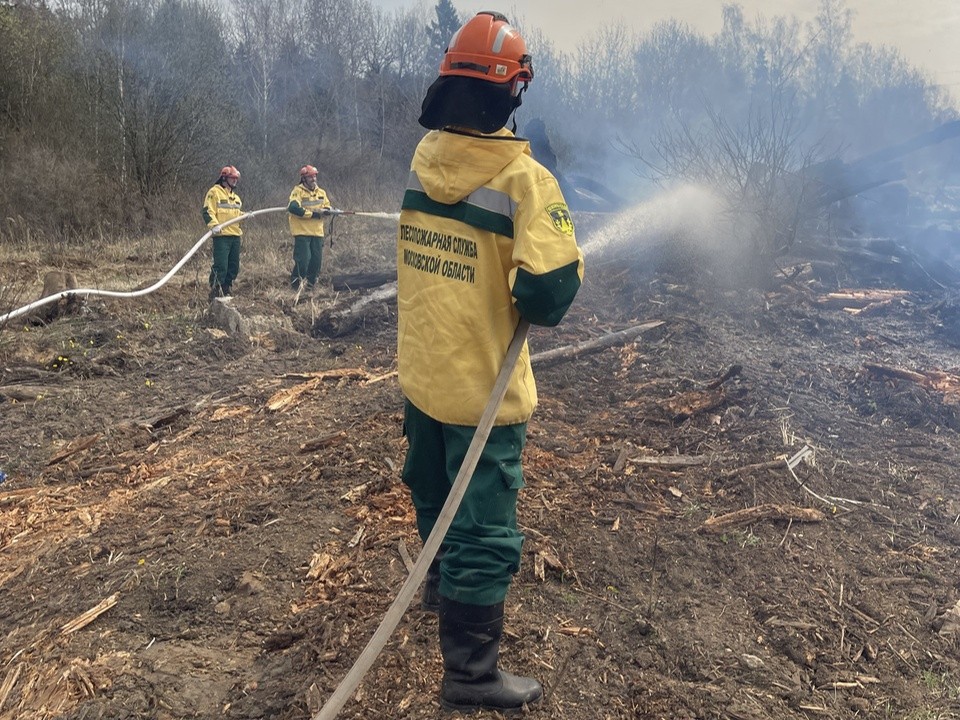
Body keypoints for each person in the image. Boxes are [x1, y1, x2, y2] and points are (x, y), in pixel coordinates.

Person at [397, 11, 583, 714]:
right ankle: (471, 674)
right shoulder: (524, 181)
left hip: (424, 373)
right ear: (513, 89)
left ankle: (441, 589)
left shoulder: (425, 161)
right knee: (483, 526)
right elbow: (548, 293)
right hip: (482, 391)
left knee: (433, 489)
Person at [287, 165, 333, 289]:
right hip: (302, 232)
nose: (313, 179)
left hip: (317, 232)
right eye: (310, 177)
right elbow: (293, 208)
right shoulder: (298, 191)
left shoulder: (321, 192)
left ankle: (310, 286)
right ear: (304, 179)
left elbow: (327, 206)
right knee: (303, 260)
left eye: (314, 176)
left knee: (316, 261)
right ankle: (296, 285)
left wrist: (327, 210)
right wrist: (313, 214)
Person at [202, 165, 244, 299]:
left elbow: (235, 214)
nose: (235, 180)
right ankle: (215, 290)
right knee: (221, 265)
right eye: (232, 178)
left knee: (234, 266)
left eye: (236, 178)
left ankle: (226, 289)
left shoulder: (236, 198)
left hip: (235, 236)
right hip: (221, 237)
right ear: (224, 178)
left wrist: (245, 215)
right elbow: (207, 211)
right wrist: (214, 225)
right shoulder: (214, 192)